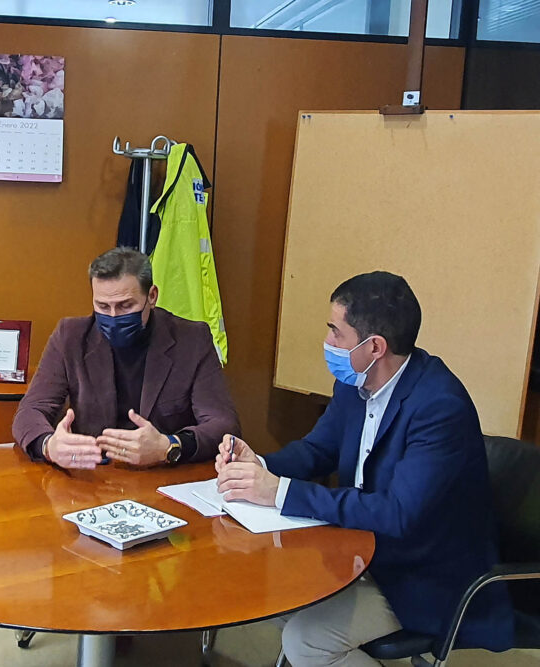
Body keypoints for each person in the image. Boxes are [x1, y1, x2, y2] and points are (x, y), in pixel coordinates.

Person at [214, 271, 514, 666]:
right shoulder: (355, 383)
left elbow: (397, 513)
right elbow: (317, 450)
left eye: (335, 332)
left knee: (306, 641)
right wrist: (258, 464)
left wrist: (279, 491)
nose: (327, 342)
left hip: (423, 573)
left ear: (374, 346)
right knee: (268, 597)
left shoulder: (440, 407)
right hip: (357, 550)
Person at [13, 247, 240, 469]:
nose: (113, 317)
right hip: (93, 474)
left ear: (152, 296)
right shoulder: (70, 337)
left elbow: (223, 425)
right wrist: (49, 445)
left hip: (164, 475)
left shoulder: (191, 340)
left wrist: (169, 446)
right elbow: (30, 411)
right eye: (103, 306)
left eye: (125, 306)